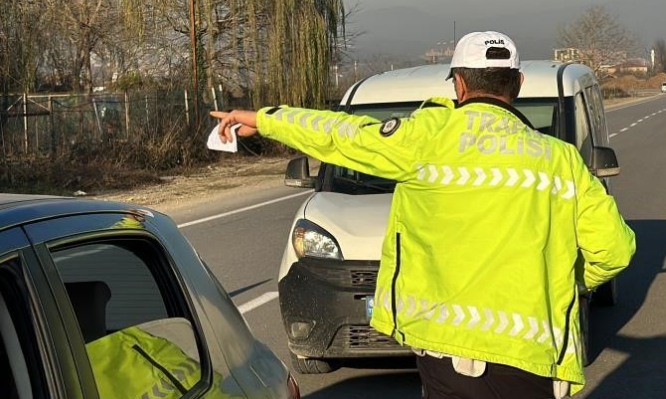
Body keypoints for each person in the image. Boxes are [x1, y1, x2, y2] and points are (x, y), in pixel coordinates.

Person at [211, 31, 635, 398]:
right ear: (518, 83)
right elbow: (614, 251)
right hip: (530, 358)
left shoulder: (426, 140)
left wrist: (266, 120)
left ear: (458, 84)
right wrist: (564, 281)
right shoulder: (560, 161)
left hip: (443, 354)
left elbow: (341, 136)